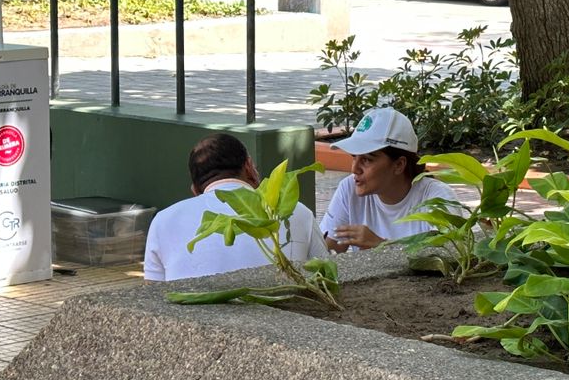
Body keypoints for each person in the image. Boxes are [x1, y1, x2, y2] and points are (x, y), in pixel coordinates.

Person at [144, 133, 327, 282]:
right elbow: (328, 276)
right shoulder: (298, 212)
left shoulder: (163, 221)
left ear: (195, 190)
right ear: (249, 167)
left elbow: (154, 301)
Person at [320, 107, 457, 252]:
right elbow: (324, 254)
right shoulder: (349, 188)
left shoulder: (438, 198)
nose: (355, 169)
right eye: (354, 157)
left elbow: (450, 257)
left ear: (399, 165)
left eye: (366, 160)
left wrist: (381, 246)